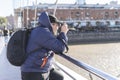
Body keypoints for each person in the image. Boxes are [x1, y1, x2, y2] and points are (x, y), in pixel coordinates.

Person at [21, 11, 69, 80]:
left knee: (58, 77)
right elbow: (60, 48)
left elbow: (54, 45)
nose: (58, 28)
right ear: (52, 24)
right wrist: (63, 33)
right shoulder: (43, 32)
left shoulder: (40, 30)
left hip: (35, 68)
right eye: (57, 25)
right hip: (33, 72)